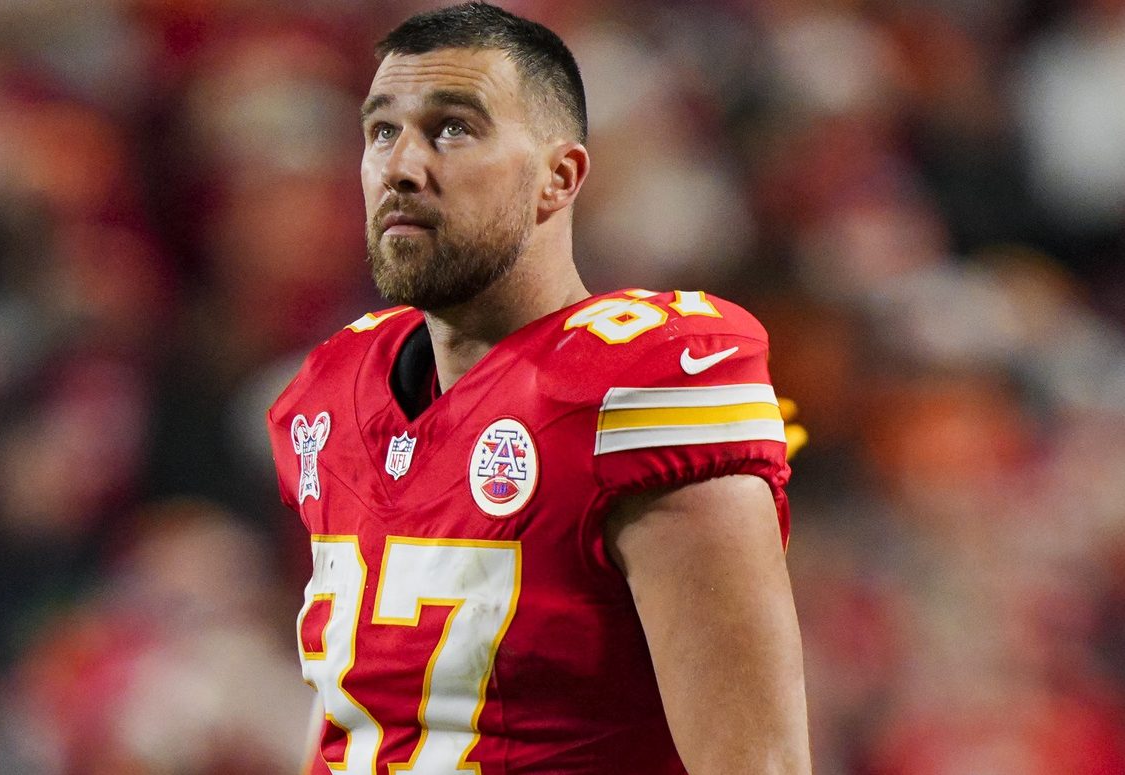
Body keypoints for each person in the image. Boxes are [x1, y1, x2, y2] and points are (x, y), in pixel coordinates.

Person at [265, 3, 811, 772]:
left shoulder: (641, 386)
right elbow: (360, 709)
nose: (401, 165)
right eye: (381, 131)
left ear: (559, 176)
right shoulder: (331, 392)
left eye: (452, 127)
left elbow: (757, 765)